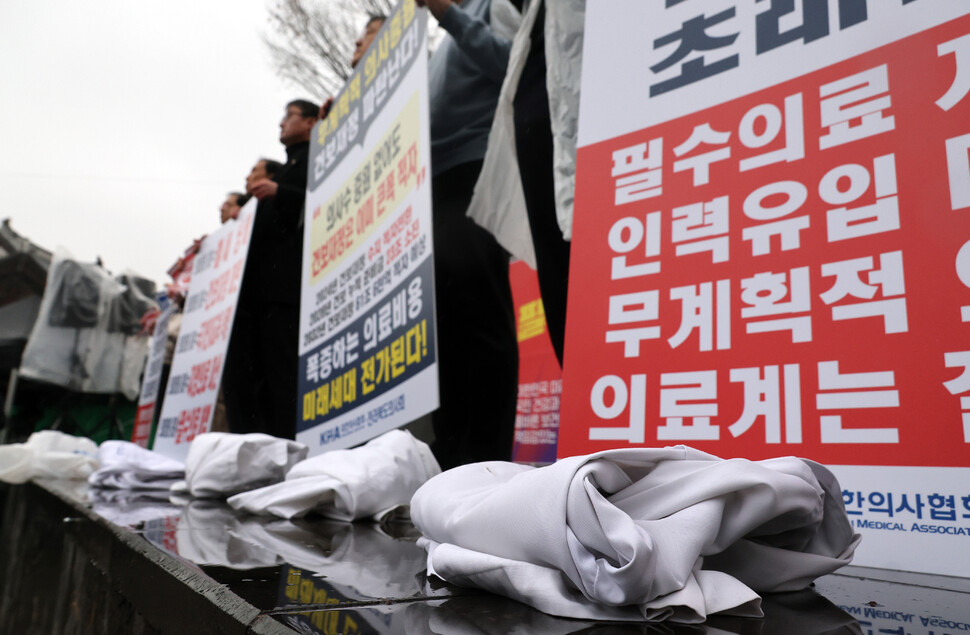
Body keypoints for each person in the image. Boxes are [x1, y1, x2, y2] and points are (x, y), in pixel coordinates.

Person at [416, 0, 519, 469]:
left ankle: (484, 459)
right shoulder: (437, 42)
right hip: (427, 185)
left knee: (479, 317)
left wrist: (449, 15)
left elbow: (510, 63)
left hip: (473, 170)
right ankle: (449, 456)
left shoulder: (491, 6)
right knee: (444, 329)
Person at [223, 100, 320, 439]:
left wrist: (281, 192)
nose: (281, 124)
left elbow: (319, 199)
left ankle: (286, 442)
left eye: (289, 116)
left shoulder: (313, 158)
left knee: (282, 372)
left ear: (310, 122)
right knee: (261, 374)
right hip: (260, 293)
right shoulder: (294, 163)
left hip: (285, 290)